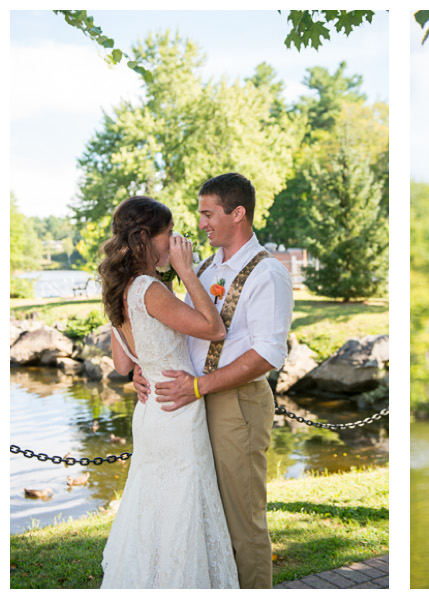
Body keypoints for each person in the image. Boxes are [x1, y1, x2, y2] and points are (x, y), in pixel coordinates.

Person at [133, 173, 294, 589]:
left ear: (237, 213)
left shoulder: (267, 274)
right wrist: (143, 366)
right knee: (206, 519)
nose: (200, 223)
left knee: (243, 524)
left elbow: (267, 355)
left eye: (208, 213)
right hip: (191, 403)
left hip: (235, 404)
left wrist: (200, 386)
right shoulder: (201, 268)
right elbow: (180, 329)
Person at [99, 196, 237, 588]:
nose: (175, 241)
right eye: (168, 234)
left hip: (149, 414)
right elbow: (214, 329)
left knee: (154, 511)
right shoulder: (148, 288)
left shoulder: (119, 289)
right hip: (176, 413)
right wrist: (186, 270)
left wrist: (145, 366)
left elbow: (124, 366)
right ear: (145, 238)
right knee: (180, 511)